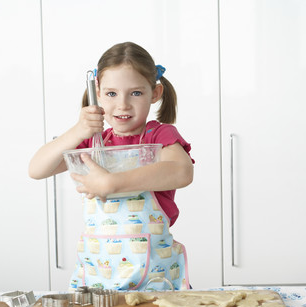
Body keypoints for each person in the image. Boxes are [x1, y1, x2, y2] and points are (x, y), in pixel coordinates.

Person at [29, 42, 194, 291]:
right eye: (111, 93)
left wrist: (112, 183)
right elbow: (37, 169)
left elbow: (182, 171)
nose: (123, 104)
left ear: (155, 93)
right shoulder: (94, 142)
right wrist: (77, 130)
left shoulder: (158, 136)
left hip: (155, 280)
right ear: (97, 92)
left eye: (136, 93)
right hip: (99, 278)